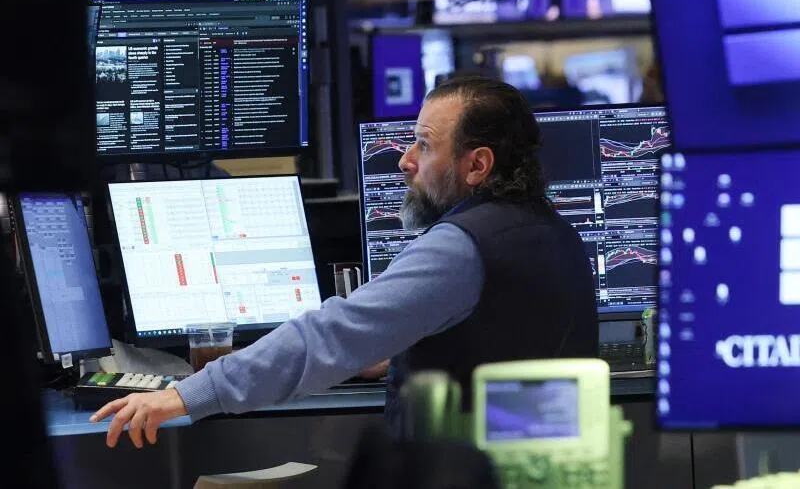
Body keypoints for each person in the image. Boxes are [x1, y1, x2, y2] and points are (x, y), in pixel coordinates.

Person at [91, 76, 598, 448]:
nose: (405, 160)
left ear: (477, 165)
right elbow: (503, 347)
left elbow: (326, 336)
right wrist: (398, 350)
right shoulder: (556, 234)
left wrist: (185, 395)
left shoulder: (460, 247)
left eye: (424, 145)